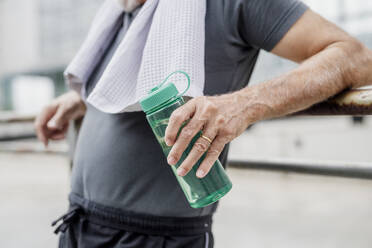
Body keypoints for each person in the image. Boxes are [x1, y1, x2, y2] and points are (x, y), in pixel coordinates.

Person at [35, 0, 372, 247]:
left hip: (157, 239)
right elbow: (132, 82)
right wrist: (84, 99)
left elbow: (354, 56)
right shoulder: (119, 12)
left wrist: (243, 104)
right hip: (80, 224)